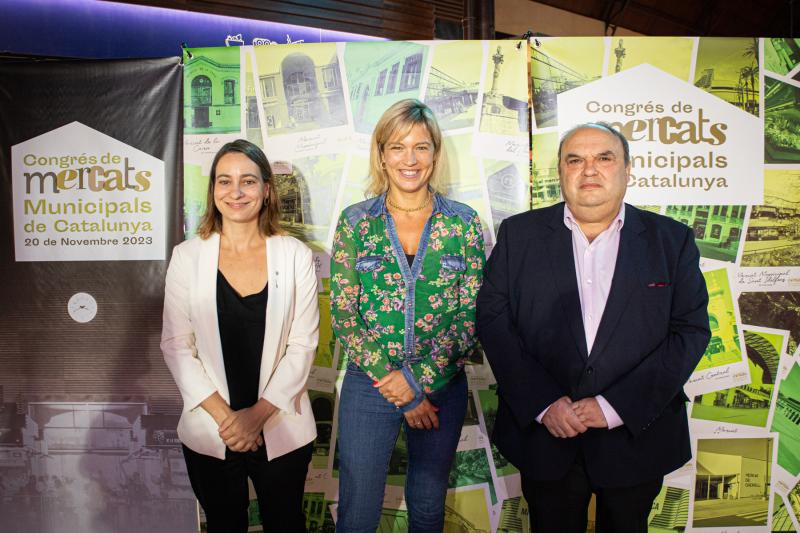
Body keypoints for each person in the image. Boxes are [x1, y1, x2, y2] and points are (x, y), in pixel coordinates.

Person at [476, 123, 710, 533]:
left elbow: (689, 331)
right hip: (547, 436)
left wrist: (613, 406)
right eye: (575, 160)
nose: (589, 169)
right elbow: (494, 322)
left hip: (636, 435)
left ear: (627, 169)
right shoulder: (518, 235)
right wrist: (545, 403)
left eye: (604, 158)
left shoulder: (671, 240)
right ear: (560, 172)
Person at [330, 99, 485, 532]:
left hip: (441, 386)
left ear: (435, 153)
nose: (410, 159)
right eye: (397, 147)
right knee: (358, 514)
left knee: (428, 507)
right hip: (370, 383)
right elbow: (344, 314)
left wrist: (418, 384)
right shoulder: (356, 223)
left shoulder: (464, 223)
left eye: (421, 147)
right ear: (381, 155)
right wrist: (397, 384)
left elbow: (471, 315)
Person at [161, 139, 319, 533]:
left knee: (286, 525)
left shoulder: (295, 255)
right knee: (223, 525)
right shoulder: (186, 256)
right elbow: (177, 346)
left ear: (266, 189)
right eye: (224, 181)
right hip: (211, 427)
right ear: (213, 190)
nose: (235, 192)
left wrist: (255, 417)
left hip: (281, 424)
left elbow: (302, 346)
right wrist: (229, 420)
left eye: (247, 181)